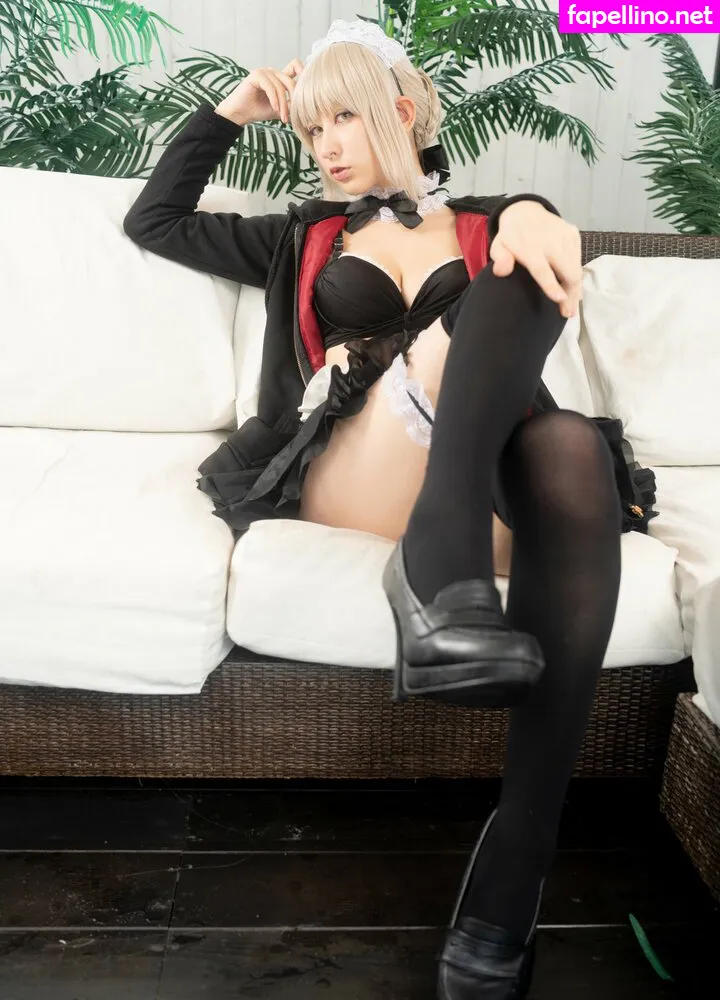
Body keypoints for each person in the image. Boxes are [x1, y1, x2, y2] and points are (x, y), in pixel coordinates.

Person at [123, 17, 622, 999]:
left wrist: (532, 213)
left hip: (486, 486)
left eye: (343, 119)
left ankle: (516, 861)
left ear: (398, 110)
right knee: (481, 300)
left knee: (569, 445)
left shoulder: (484, 218)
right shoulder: (302, 236)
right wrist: (235, 110)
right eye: (312, 130)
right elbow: (157, 220)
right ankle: (437, 560)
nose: (326, 145)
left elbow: (540, 248)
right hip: (356, 470)